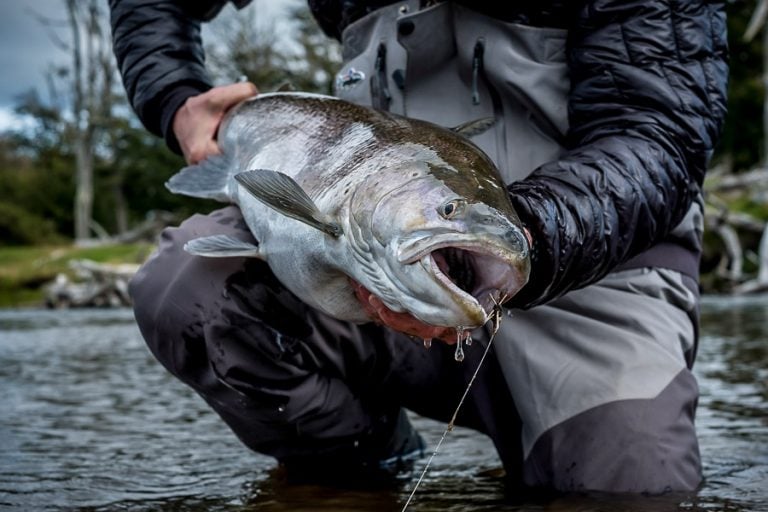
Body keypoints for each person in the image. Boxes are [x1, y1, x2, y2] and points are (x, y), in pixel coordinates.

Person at [109, 0, 728, 494]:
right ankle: (365, 473)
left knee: (632, 493)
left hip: (595, 265)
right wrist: (173, 98)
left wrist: (533, 238)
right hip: (366, 255)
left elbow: (658, 136)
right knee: (186, 293)